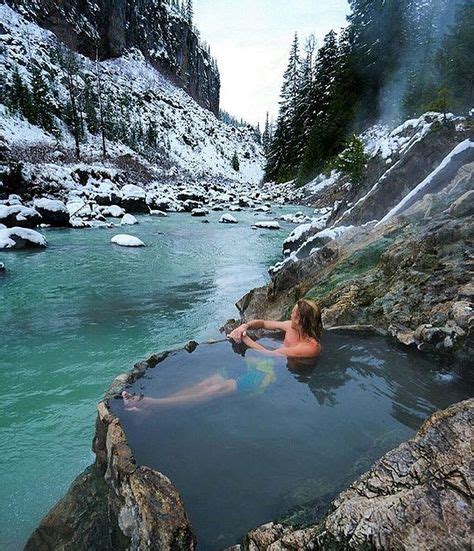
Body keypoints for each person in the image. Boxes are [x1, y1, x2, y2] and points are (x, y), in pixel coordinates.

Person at [122, 299, 322, 409]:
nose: (290, 316)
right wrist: (244, 325)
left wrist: (243, 337)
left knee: (217, 389)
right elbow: (262, 323)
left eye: (294, 315)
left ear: (303, 321)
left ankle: (151, 405)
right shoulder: (291, 327)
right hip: (257, 363)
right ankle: (152, 407)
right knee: (206, 383)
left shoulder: (310, 346)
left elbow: (273, 355)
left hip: (271, 376)